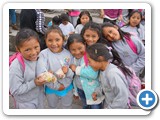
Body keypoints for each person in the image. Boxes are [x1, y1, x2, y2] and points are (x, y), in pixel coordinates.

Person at [36, 26, 74, 109]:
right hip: (51, 89)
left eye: (57, 40)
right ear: (45, 41)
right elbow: (42, 74)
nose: (54, 44)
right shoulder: (43, 54)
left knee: (67, 106)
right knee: (53, 107)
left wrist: (67, 71)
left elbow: (72, 73)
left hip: (67, 87)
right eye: (50, 40)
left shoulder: (68, 54)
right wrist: (57, 86)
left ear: (63, 39)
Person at [9, 28, 46, 109]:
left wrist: (47, 74)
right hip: (25, 102)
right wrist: (34, 83)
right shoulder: (16, 66)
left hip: (39, 96)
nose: (33, 53)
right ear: (18, 49)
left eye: (36, 47)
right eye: (27, 50)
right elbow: (15, 90)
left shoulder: (40, 56)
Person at [86, 43, 130, 109]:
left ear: (100, 59)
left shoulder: (112, 74)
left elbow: (122, 97)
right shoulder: (102, 70)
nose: (88, 64)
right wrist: (97, 92)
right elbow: (104, 86)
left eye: (89, 61)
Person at [67, 34, 104, 109]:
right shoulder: (71, 59)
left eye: (80, 48)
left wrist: (76, 69)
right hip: (80, 90)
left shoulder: (90, 57)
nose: (77, 52)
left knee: (95, 108)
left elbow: (93, 74)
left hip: (93, 91)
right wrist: (75, 91)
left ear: (85, 44)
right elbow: (75, 78)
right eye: (73, 50)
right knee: (85, 106)